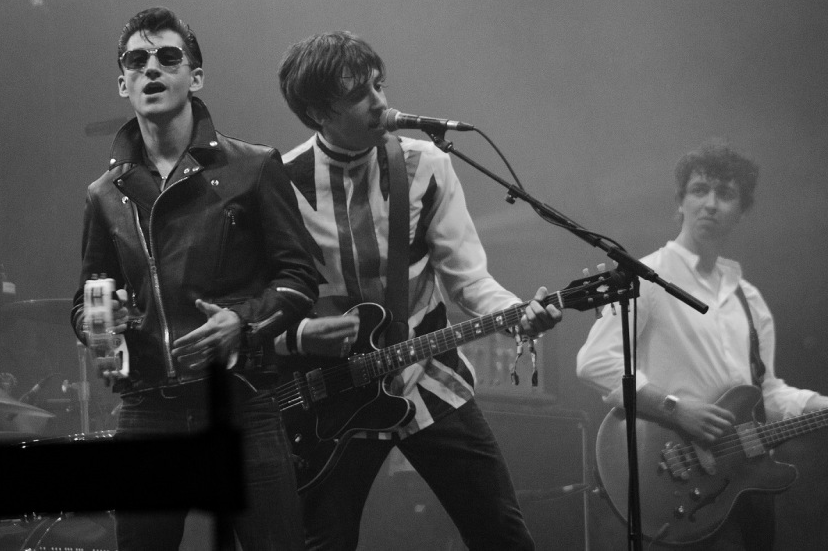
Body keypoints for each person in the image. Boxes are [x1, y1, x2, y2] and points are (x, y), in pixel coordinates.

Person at [275, 30, 562, 551]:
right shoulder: (281, 184)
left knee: (502, 535)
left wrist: (516, 312)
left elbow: (468, 279)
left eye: (379, 84)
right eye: (359, 93)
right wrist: (300, 335)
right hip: (335, 397)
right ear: (318, 113)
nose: (379, 102)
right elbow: (271, 299)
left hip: (429, 377)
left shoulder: (426, 165)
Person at [70, 7, 318, 551]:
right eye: (136, 60)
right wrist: (98, 321)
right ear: (123, 83)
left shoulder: (253, 167)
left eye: (167, 56)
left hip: (241, 404)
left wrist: (242, 323)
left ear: (195, 76)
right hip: (148, 408)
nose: (151, 68)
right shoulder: (104, 195)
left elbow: (300, 278)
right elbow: (86, 299)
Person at [576, 141, 828, 550]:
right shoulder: (648, 276)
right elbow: (594, 362)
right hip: (670, 477)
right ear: (681, 202)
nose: (710, 204)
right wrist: (676, 408)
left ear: (742, 211)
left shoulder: (749, 299)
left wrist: (820, 405)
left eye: (725, 194)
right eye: (699, 190)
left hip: (740, 484)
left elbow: (766, 394)